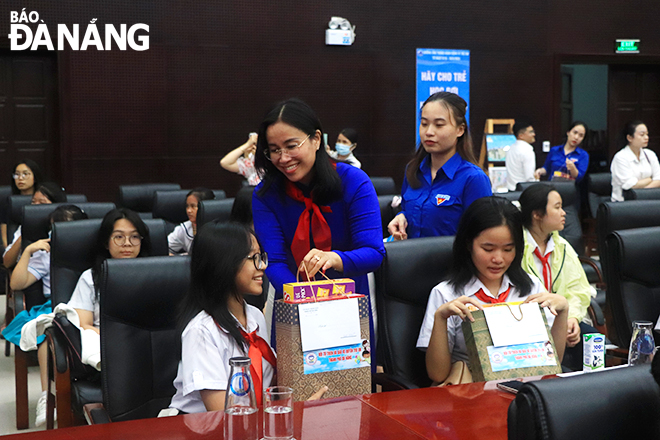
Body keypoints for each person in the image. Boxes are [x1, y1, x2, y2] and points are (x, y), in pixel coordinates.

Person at [252, 99, 384, 339]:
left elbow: (374, 252)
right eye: (274, 149)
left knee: (350, 375)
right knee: (291, 376)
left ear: (316, 139)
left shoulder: (354, 182)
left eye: (291, 146)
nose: (283, 158)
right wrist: (307, 300)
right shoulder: (265, 195)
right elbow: (276, 261)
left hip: (349, 304)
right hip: (291, 303)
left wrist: (334, 258)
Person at [169, 222, 326, 413]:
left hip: (253, 425)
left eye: (262, 257)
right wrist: (294, 412)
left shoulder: (255, 316)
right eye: (254, 258)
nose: (263, 266)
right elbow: (223, 414)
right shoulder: (201, 331)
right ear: (224, 263)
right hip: (202, 429)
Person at [416, 196, 568, 384]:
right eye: (488, 249)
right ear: (468, 244)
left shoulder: (531, 287)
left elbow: (554, 362)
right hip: (472, 395)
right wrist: (441, 318)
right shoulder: (446, 294)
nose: (498, 259)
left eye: (508, 249)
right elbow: (437, 375)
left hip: (525, 391)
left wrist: (563, 312)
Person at [2, 205, 87, 427]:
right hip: (55, 305)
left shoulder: (92, 250)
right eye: (55, 229)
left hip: (87, 306)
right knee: (48, 335)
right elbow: (16, 283)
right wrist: (29, 251)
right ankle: (46, 396)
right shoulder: (45, 254)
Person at [387, 92, 492, 240]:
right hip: (411, 261)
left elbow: (484, 236)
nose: (429, 132)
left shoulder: (473, 178)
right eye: (424, 124)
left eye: (439, 125)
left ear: (460, 130)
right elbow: (408, 209)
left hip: (451, 262)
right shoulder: (413, 170)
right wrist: (401, 217)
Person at [519, 184, 596, 371]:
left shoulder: (562, 246)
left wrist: (572, 320)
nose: (564, 213)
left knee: (592, 340)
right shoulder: (514, 247)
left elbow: (578, 290)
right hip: (528, 327)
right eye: (557, 207)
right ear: (537, 214)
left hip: (561, 319)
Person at [68, 208, 152, 335]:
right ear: (106, 243)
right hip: (102, 343)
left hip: (146, 343)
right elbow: (83, 324)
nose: (127, 243)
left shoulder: (155, 276)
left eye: (134, 236)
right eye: (119, 237)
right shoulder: (90, 277)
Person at [3, 182, 66, 269]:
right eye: (33, 202)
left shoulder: (65, 227)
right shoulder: (25, 225)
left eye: (42, 203)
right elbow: (7, 263)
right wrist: (25, 234)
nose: (35, 207)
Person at [610, 120, 660, 201]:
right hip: (624, 203)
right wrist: (650, 179)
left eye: (647, 134)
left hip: (649, 200)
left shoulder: (650, 154)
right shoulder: (620, 157)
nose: (646, 137)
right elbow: (630, 185)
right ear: (629, 138)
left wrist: (643, 194)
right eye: (642, 135)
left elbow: (658, 179)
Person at [1, 159, 44, 248]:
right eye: (17, 174)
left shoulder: (44, 198)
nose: (20, 178)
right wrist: (7, 248)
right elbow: (4, 225)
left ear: (35, 177)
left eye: (25, 174)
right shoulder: (8, 201)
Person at [168, 188, 215, 255]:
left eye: (193, 206)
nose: (188, 211)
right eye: (187, 206)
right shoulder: (184, 228)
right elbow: (162, 249)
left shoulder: (218, 227)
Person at [505, 120, 537, 191]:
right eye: (530, 132)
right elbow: (529, 178)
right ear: (521, 136)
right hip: (524, 191)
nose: (534, 134)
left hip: (511, 190)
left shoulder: (510, 149)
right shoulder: (527, 150)